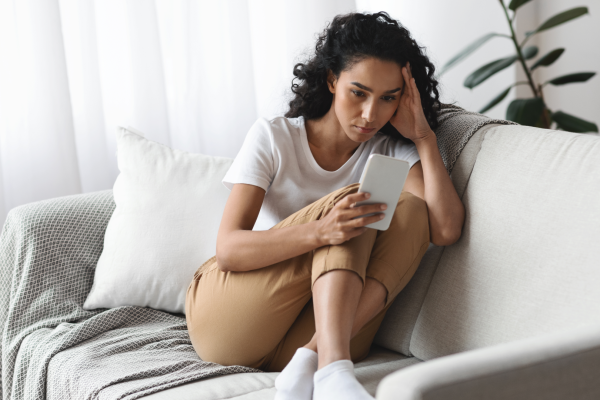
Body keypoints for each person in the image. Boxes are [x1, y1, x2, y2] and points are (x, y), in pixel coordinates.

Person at [185, 11, 465, 400]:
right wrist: (321, 231)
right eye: (359, 92)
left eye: (388, 98)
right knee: (357, 202)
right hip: (231, 320)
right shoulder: (274, 137)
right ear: (333, 79)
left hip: (304, 337)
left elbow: (445, 229)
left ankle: (313, 363)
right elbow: (229, 251)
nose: (371, 114)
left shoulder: (390, 150)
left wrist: (423, 137)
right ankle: (333, 368)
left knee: (411, 210)